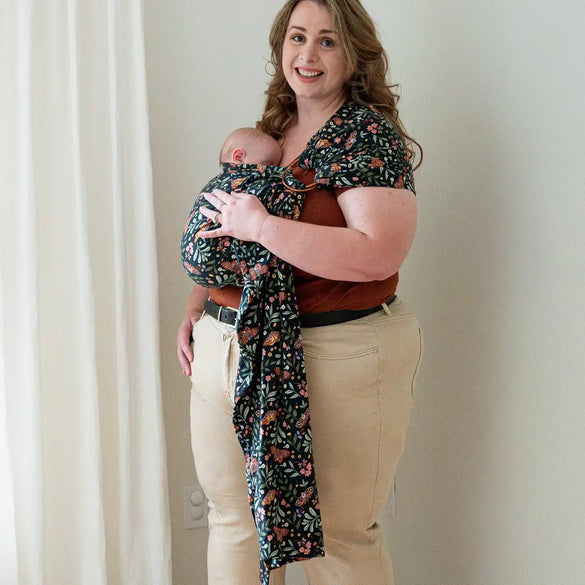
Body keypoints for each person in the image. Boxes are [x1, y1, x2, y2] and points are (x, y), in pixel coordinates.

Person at [177, 1, 423, 584]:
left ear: (354, 53)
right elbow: (229, 236)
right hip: (230, 347)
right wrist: (198, 306)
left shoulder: (365, 138)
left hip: (334, 356)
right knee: (233, 520)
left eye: (328, 41)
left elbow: (377, 252)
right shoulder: (267, 135)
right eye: (296, 37)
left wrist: (263, 224)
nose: (307, 55)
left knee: (337, 537)